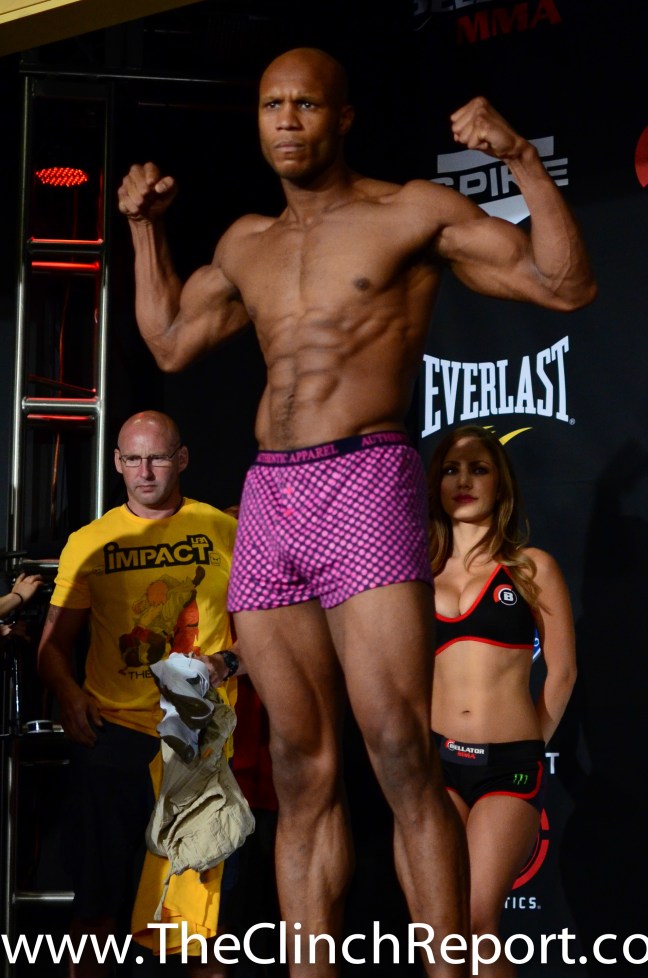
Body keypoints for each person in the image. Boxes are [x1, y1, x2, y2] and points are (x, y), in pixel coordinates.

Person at [117, 47, 596, 977]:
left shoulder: (409, 212)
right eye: (272, 105)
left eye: (306, 104)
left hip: (365, 477)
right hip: (271, 492)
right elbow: (170, 341)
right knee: (301, 766)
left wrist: (521, 162)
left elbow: (564, 283)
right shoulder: (247, 242)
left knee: (399, 750)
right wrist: (143, 231)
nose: (287, 121)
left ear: (342, 118)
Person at [37, 410, 240, 978]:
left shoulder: (223, 530)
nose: (145, 472)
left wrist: (228, 661)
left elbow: (271, 635)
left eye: (157, 458)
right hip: (113, 739)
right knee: (95, 910)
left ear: (182, 459)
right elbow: (52, 647)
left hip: (199, 746)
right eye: (133, 459)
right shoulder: (91, 541)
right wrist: (68, 693)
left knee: (201, 929)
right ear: (117, 463)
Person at [427, 424, 576, 976]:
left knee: (475, 920)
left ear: (500, 484)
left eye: (478, 469)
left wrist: (528, 745)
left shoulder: (531, 567)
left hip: (508, 767)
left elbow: (562, 673)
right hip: (436, 764)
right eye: (451, 469)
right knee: (439, 929)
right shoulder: (416, 574)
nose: (463, 480)